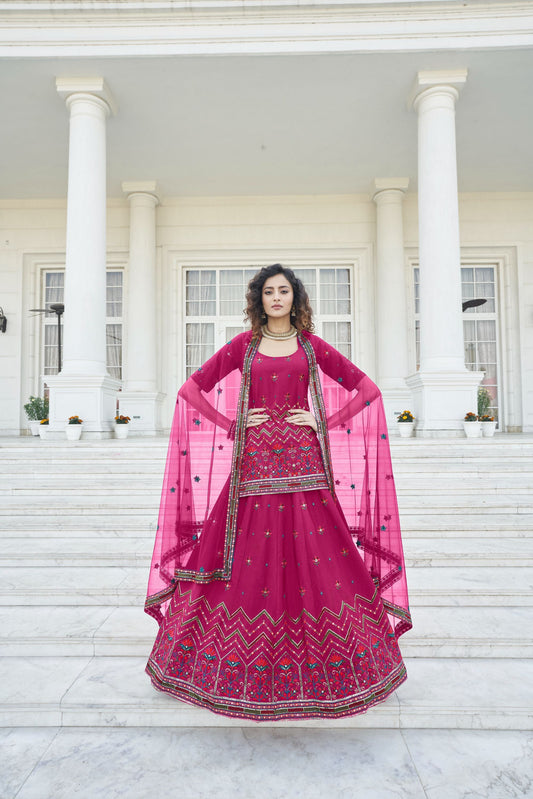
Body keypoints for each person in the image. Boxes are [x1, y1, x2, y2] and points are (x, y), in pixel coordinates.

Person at [144, 263, 412, 721]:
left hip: (305, 465)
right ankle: (212, 669)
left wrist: (322, 422)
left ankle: (343, 669)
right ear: (258, 300)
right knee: (241, 556)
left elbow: (367, 389)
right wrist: (232, 423)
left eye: (283, 291)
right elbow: (191, 389)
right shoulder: (244, 345)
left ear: (295, 298)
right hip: (253, 466)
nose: (275, 298)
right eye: (268, 292)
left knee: (319, 556)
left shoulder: (310, 346)